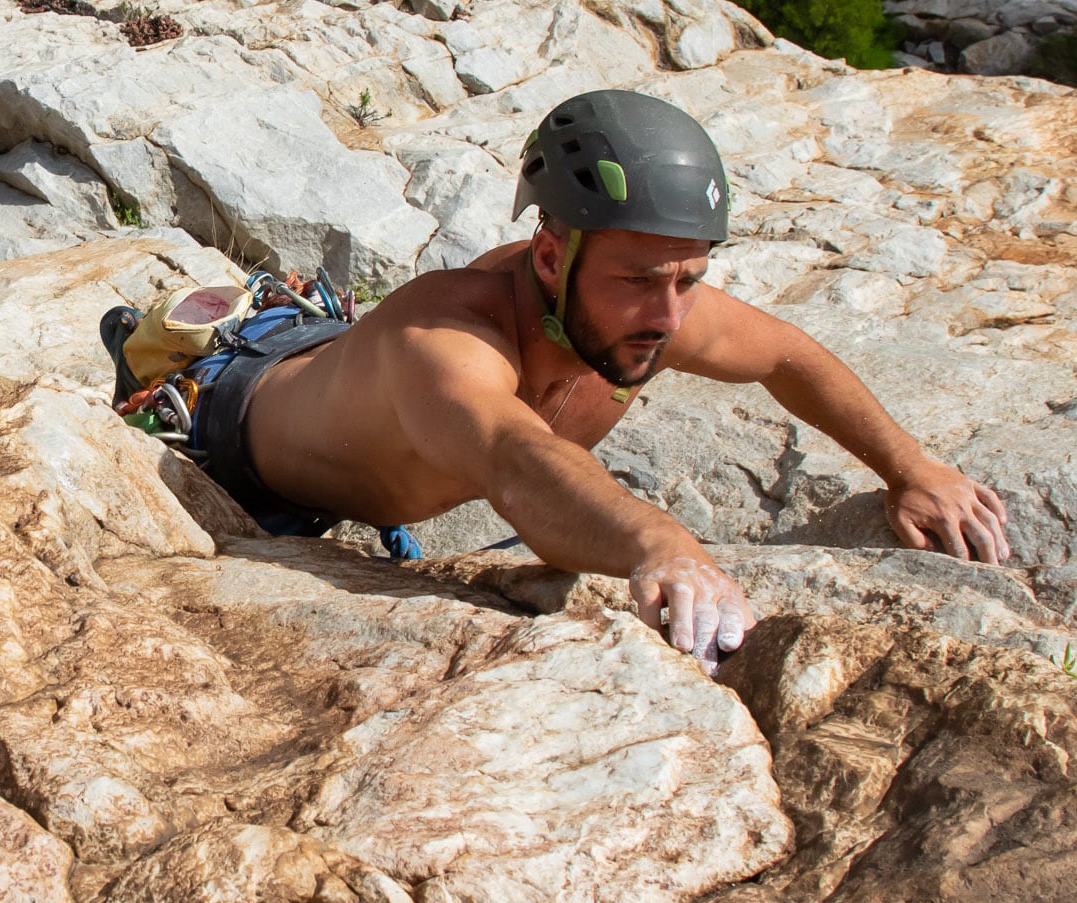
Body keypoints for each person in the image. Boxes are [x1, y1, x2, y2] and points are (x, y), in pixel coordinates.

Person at [188, 88, 1008, 667]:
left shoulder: (643, 303)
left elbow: (786, 355)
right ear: (551, 255)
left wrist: (911, 467)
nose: (673, 315)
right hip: (247, 427)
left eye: (689, 279)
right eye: (644, 279)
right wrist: (661, 543)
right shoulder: (443, 343)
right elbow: (515, 456)